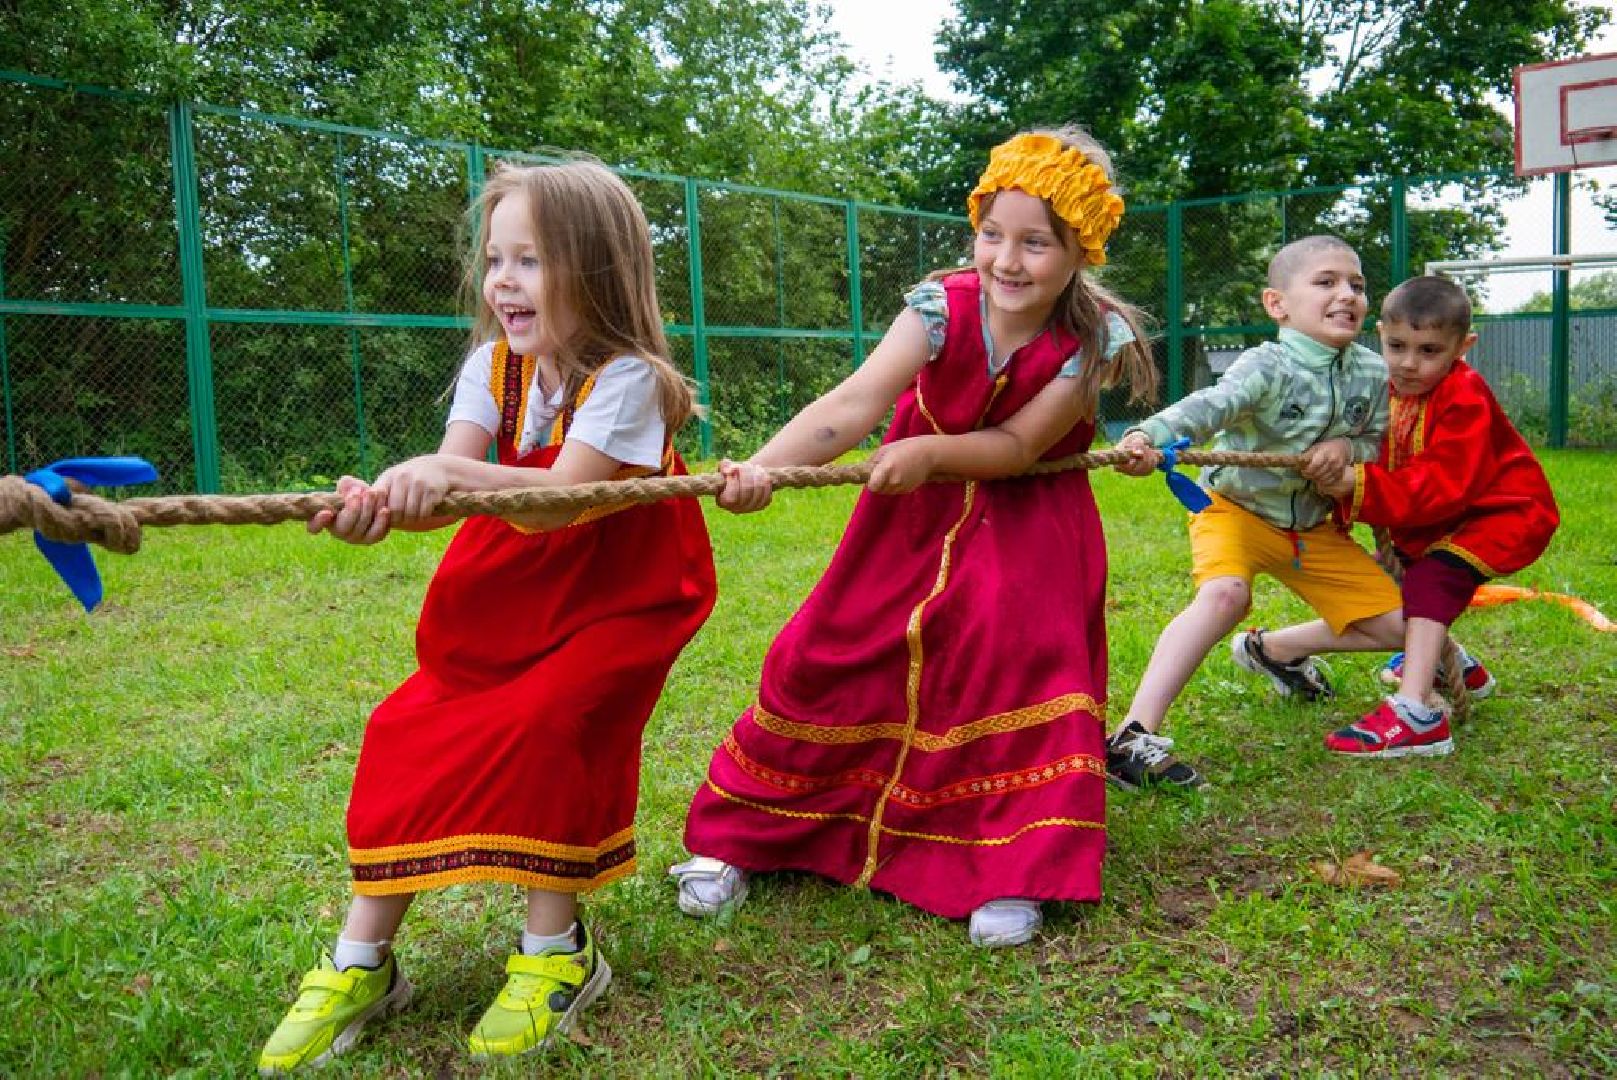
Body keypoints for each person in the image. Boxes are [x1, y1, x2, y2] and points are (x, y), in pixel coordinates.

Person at [257, 161, 717, 1071]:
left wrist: (440, 473)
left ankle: (557, 954)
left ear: (600, 269)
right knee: (405, 730)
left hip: (617, 599)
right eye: (496, 260)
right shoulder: (490, 368)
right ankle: (361, 963)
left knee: (550, 724)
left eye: (531, 260)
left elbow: (553, 501)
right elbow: (455, 487)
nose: (504, 281)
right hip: (507, 601)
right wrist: (381, 510)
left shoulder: (631, 379)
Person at [668, 127, 1158, 949]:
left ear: (1082, 250)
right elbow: (852, 405)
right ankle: (744, 836)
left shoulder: (1091, 339)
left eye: (1035, 243)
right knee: (828, 649)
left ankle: (1008, 864)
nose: (1006, 260)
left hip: (1029, 527)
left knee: (1011, 656)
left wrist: (929, 453)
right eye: (991, 234)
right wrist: (764, 470)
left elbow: (1018, 448)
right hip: (907, 526)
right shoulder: (938, 308)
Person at [1108, 235, 1403, 789]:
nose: (1347, 294)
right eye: (1326, 282)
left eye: (1357, 285)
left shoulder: (1373, 372)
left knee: (1405, 627)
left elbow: (1380, 440)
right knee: (1225, 596)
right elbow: (1211, 406)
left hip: (1312, 528)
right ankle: (1131, 737)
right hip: (1235, 511)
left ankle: (1275, 651)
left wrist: (1347, 447)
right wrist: (1149, 435)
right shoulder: (1266, 365)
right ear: (1277, 304)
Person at [1315, 275, 1558, 756]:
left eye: (1429, 350)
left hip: (1503, 514)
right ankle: (1453, 667)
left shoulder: (1464, 395)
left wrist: (1357, 486)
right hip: (1440, 519)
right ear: (1380, 334)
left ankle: (1416, 713)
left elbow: (1445, 482)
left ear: (1463, 347)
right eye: (1397, 346)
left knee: (1430, 581)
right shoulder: (1380, 387)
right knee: (1390, 593)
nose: (1409, 363)